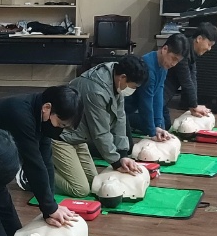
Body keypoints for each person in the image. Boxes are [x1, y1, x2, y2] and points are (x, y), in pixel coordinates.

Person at [0, 88, 85, 236]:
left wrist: (50, 206)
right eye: (61, 124)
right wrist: (49, 208)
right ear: (47, 108)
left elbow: (46, 161)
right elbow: (33, 164)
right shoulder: (21, 115)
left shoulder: (40, 117)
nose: (60, 129)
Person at [52, 56, 149, 198]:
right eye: (133, 86)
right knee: (81, 190)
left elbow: (120, 118)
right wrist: (116, 162)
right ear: (123, 78)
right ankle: (32, 173)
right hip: (61, 135)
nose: (133, 90)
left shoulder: (115, 79)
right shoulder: (96, 90)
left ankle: (57, 164)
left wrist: (122, 154)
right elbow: (101, 132)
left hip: (78, 136)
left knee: (95, 184)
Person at [125, 33, 190, 142]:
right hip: (126, 110)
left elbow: (158, 94)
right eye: (173, 58)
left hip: (139, 106)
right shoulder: (149, 68)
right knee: (131, 146)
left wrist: (159, 124)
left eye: (177, 61)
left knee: (164, 127)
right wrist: (152, 131)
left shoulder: (163, 65)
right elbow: (146, 102)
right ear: (164, 49)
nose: (173, 64)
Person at [164, 25, 217, 127]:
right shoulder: (183, 49)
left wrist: (194, 105)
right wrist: (194, 105)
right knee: (158, 126)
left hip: (164, 96)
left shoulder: (191, 53)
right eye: (209, 44)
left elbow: (192, 78)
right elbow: (186, 81)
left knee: (166, 126)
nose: (209, 49)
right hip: (158, 93)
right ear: (199, 39)